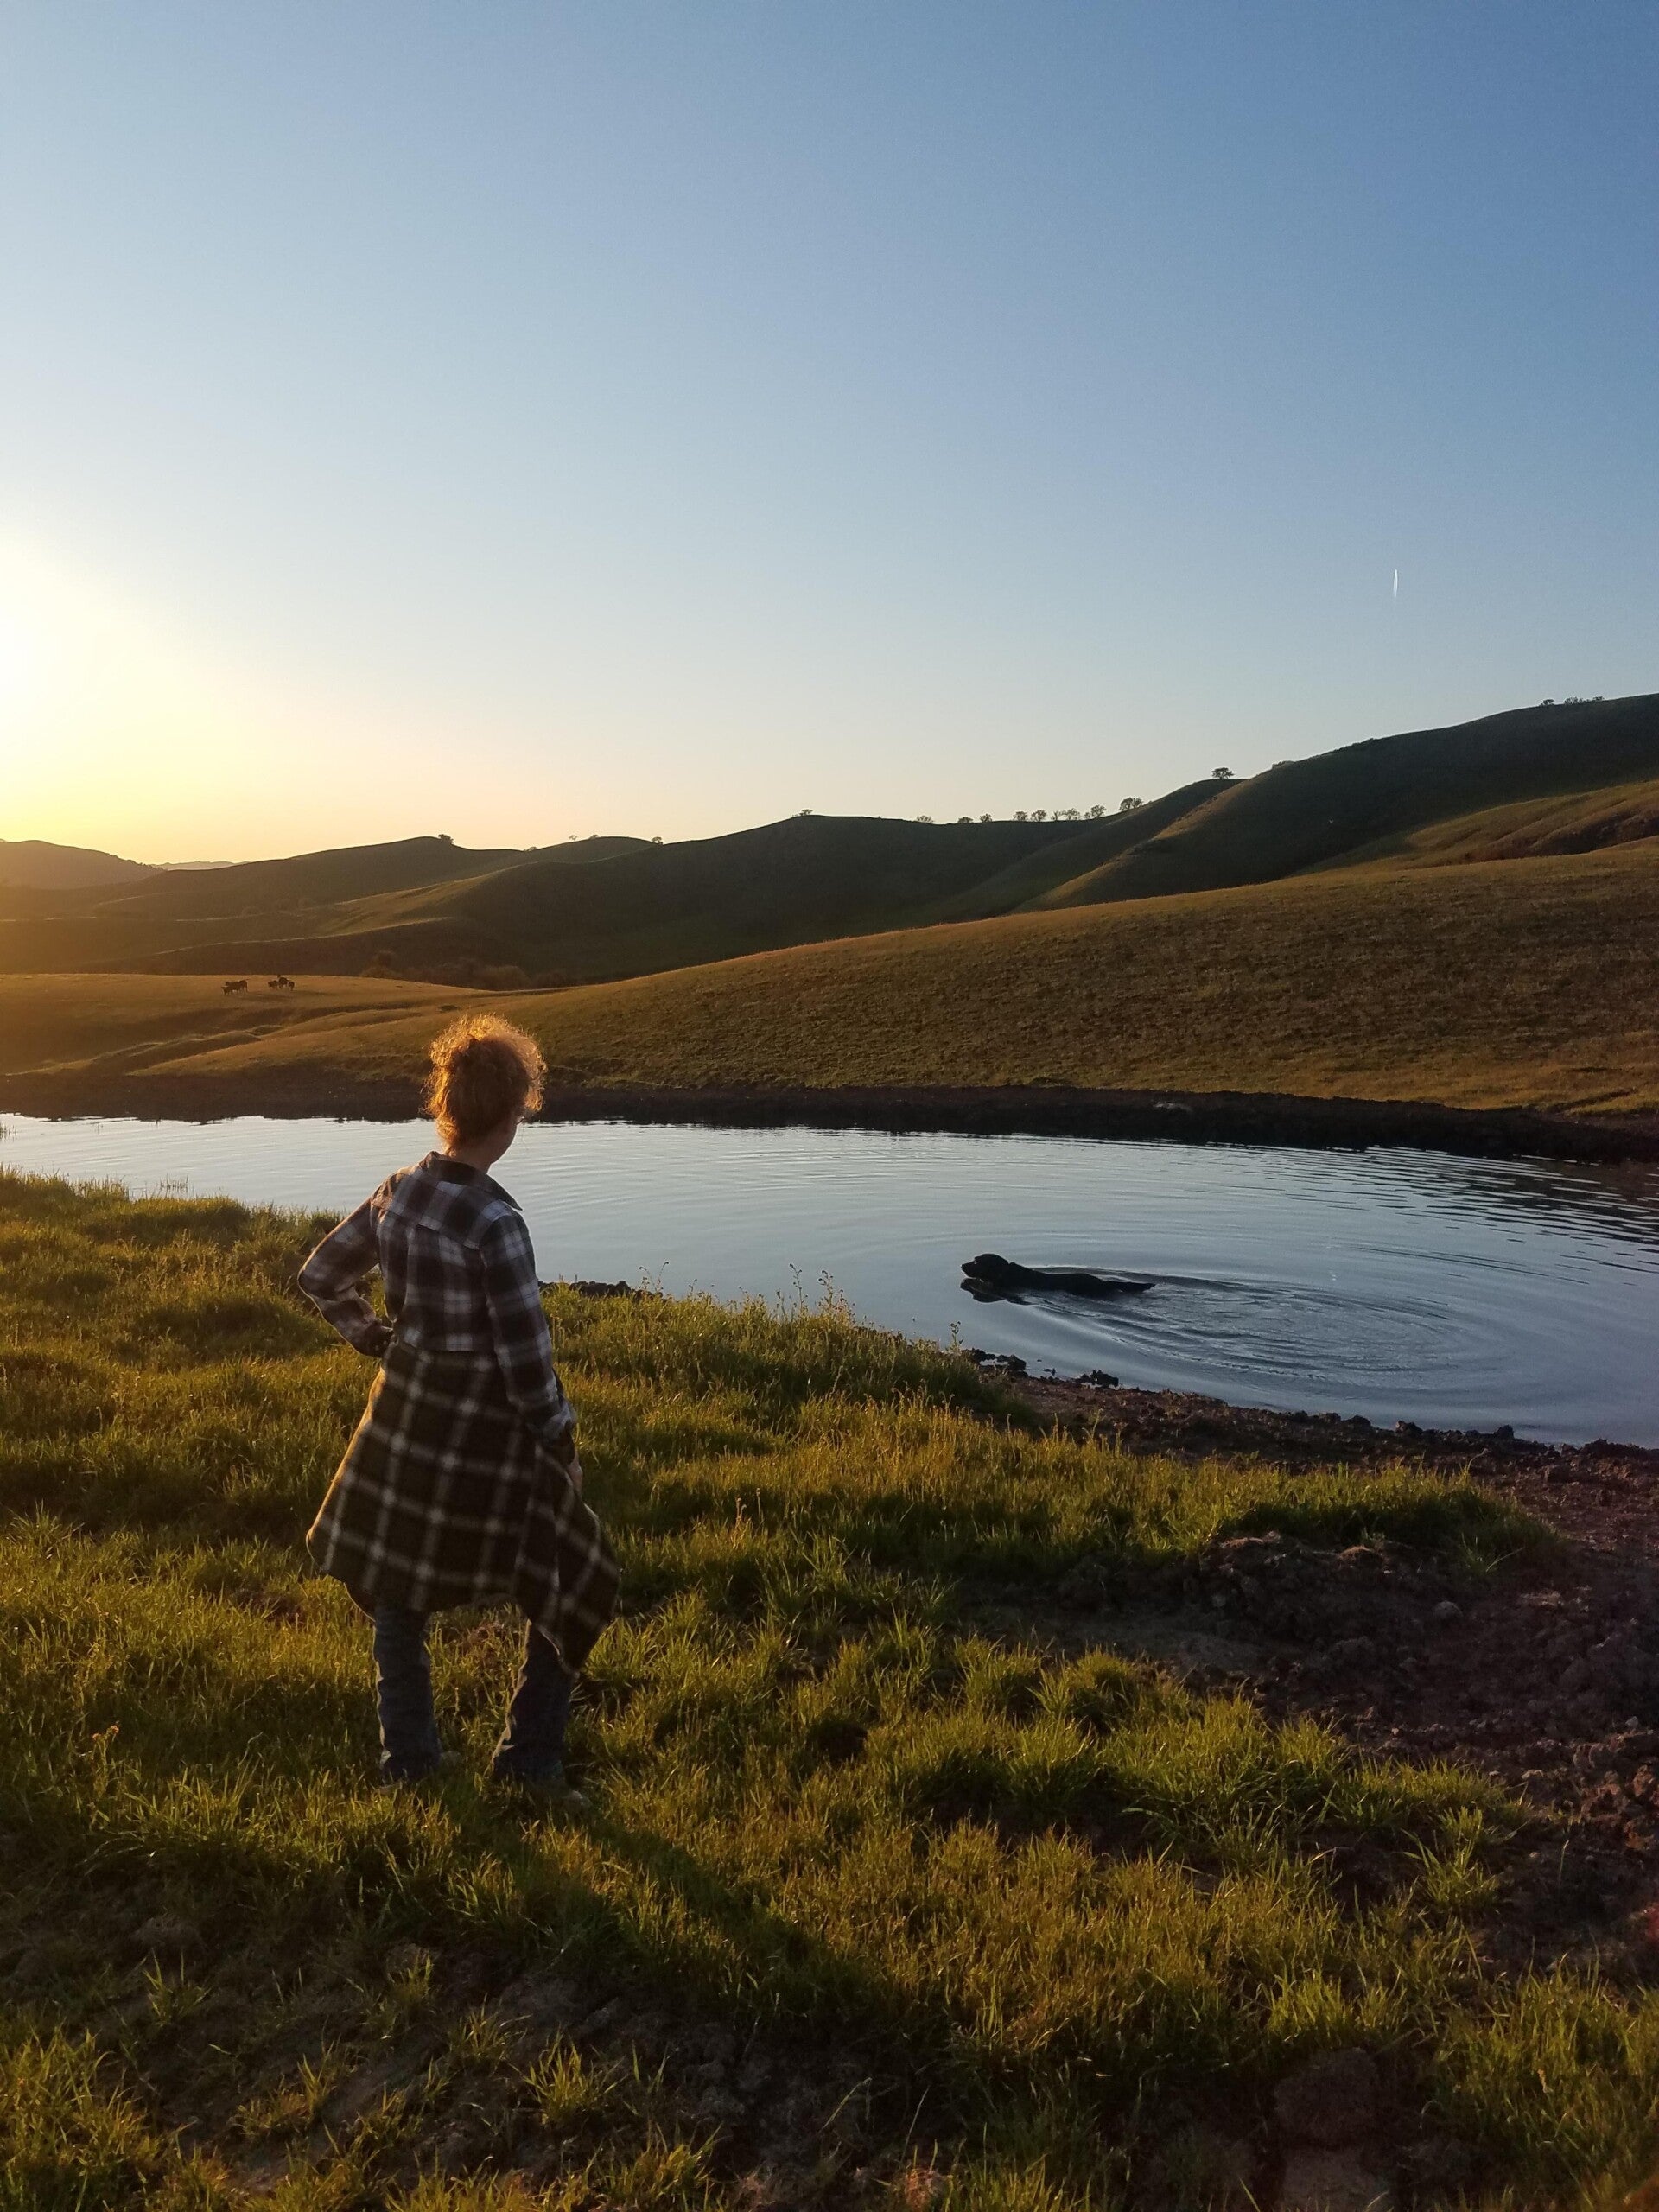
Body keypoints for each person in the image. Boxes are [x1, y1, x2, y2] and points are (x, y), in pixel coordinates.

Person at [297, 1014, 617, 1790]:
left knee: (397, 1591)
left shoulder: (398, 1190)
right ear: (512, 1114)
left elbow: (320, 1276)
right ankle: (528, 1765)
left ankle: (410, 1764)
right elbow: (527, 1363)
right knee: (579, 1575)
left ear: (445, 1106)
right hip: (484, 1431)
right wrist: (562, 1447)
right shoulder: (496, 1222)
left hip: (402, 1414)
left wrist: (375, 1337)